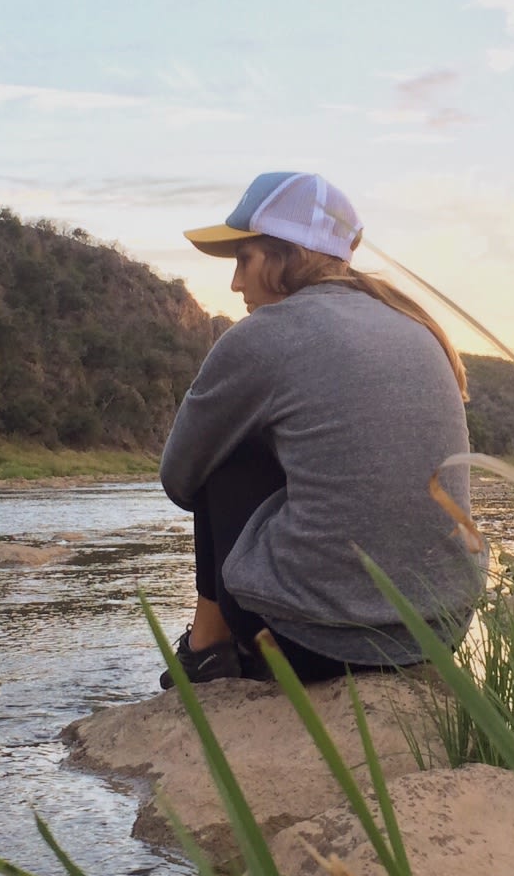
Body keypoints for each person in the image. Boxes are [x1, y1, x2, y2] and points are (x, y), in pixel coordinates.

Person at [157, 171, 486, 687]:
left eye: (244, 259)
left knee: (223, 447)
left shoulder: (262, 336)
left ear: (286, 254)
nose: (236, 283)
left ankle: (207, 646)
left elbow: (180, 476)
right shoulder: (416, 326)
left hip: (313, 645)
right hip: (438, 630)